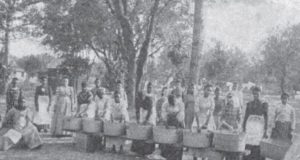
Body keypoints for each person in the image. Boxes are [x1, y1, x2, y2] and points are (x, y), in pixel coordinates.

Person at [243, 86, 268, 160]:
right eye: (254, 94)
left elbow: (266, 117)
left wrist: (265, 130)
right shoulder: (249, 104)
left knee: (258, 145)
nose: (255, 96)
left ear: (260, 94)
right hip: (250, 126)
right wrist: (243, 127)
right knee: (248, 145)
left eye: (257, 94)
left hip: (259, 127)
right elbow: (246, 116)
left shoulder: (264, 104)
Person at [131, 82, 156, 156]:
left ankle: (148, 151)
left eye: (141, 97)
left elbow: (150, 111)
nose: (140, 98)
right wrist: (138, 119)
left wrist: (146, 120)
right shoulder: (139, 100)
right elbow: (137, 110)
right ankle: (139, 150)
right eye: (139, 97)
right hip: (143, 113)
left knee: (149, 132)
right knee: (140, 131)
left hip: (150, 115)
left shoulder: (149, 99)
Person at [160, 94, 184, 160]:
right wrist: (166, 124)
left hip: (177, 123)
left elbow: (181, 113)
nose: (172, 103)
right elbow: (163, 114)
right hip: (169, 123)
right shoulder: (165, 104)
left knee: (177, 142)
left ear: (175, 99)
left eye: (174, 101)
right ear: (168, 101)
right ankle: (168, 158)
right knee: (169, 141)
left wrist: (178, 122)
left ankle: (177, 158)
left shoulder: (179, 104)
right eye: (171, 102)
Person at [219, 92, 242, 160]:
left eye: (231, 97)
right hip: (226, 129)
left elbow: (240, 119)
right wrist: (228, 126)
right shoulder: (225, 107)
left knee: (233, 151)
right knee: (225, 150)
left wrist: (238, 127)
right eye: (228, 97)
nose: (230, 99)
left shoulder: (238, 108)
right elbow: (221, 119)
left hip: (234, 130)